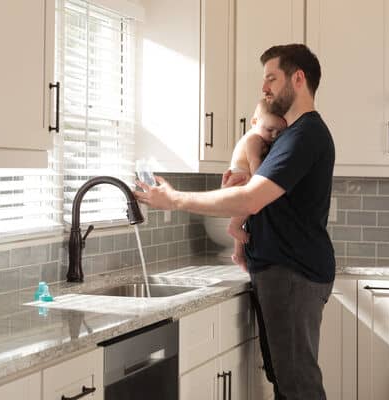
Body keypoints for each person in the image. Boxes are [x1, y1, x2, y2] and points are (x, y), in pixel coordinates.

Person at [134, 43, 335, 400]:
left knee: (298, 386)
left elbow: (249, 198)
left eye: (272, 78)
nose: (265, 88)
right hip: (284, 272)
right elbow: (256, 195)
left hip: (292, 273)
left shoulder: (305, 135)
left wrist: (176, 199)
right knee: (286, 381)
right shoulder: (289, 135)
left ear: (299, 79)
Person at [225, 99, 287, 271]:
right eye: (269, 129)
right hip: (242, 173)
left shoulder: (259, 136)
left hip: (240, 173)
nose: (273, 135)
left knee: (244, 210)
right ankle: (234, 226)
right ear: (254, 122)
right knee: (246, 207)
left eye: (279, 131)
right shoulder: (254, 139)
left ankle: (238, 254)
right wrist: (261, 183)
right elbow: (254, 163)